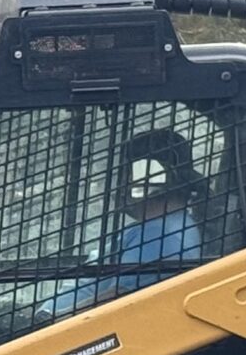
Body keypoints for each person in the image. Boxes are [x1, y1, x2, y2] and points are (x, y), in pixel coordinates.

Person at [66, 129, 205, 312]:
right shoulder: (162, 226)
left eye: (127, 173)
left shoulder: (161, 237)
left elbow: (118, 300)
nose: (121, 183)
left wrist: (50, 322)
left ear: (150, 176)